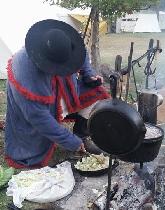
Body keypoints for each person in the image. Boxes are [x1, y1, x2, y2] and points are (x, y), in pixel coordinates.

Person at [4, 19, 109, 169]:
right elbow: (38, 117)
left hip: (64, 91)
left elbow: (80, 53)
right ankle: (75, 143)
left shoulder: (65, 40)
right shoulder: (25, 70)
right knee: (33, 145)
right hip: (38, 106)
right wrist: (69, 141)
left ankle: (81, 137)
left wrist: (88, 73)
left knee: (96, 95)